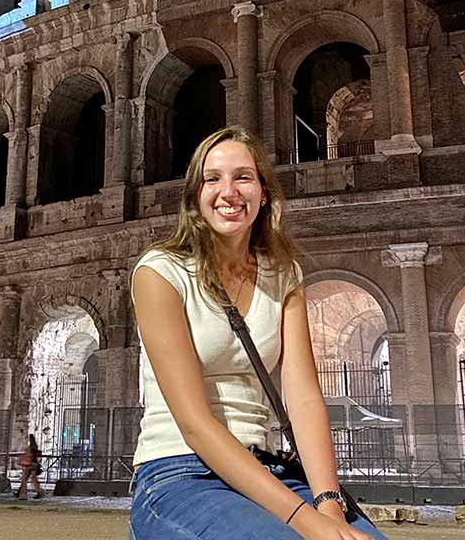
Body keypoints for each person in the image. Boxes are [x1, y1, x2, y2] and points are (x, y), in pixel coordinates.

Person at [130, 126, 389, 540]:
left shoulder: (284, 274)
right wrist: (305, 521)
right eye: (212, 179)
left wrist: (328, 505)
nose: (228, 191)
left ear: (264, 193)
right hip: (179, 471)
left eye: (243, 177)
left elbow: (303, 396)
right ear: (196, 196)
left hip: (270, 468)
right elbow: (194, 424)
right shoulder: (160, 272)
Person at [17, 434, 45, 500]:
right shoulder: (35, 446)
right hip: (34, 465)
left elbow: (29, 456)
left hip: (29, 465)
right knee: (33, 480)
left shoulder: (31, 447)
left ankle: (23, 494)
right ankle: (40, 492)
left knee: (24, 479)